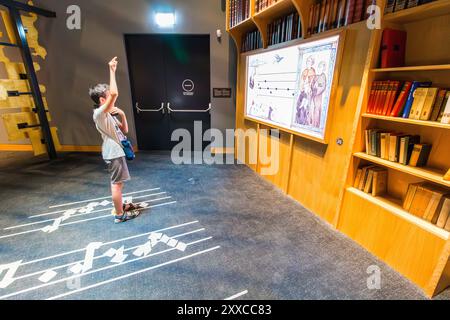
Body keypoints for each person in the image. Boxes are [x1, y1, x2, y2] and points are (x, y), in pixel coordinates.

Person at [89, 57, 141, 223]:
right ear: (102, 101)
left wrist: (123, 114)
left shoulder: (108, 115)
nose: (112, 99)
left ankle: (120, 207)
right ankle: (119, 215)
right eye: (108, 98)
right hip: (113, 152)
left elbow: (124, 130)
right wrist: (112, 70)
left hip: (117, 151)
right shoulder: (99, 114)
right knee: (116, 184)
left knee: (119, 183)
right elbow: (114, 93)